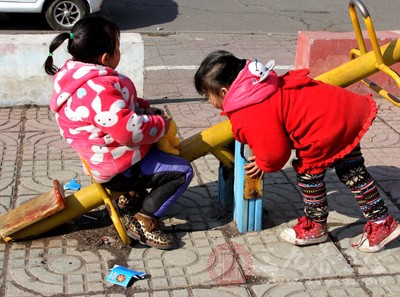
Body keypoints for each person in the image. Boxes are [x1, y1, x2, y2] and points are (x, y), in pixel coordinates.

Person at [194, 50, 400, 253]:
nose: (209, 101)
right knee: (352, 171)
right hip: (343, 111)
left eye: (207, 95)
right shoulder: (259, 83)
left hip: (324, 129)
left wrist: (264, 163)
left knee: (309, 175)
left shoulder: (249, 109)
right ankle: (382, 221)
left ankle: (316, 225)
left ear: (223, 92)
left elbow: (276, 152)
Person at [44, 16, 193, 250]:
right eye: (118, 48)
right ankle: (144, 220)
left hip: (97, 156)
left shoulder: (75, 76)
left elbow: (118, 107)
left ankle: (131, 195)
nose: (119, 52)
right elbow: (128, 131)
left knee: (152, 145)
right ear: (106, 58)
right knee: (182, 171)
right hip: (116, 168)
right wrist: (159, 123)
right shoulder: (100, 89)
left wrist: (143, 108)